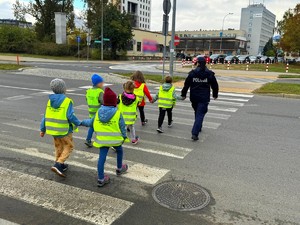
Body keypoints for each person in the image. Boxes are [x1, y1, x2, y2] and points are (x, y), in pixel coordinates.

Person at [81, 87, 128, 187]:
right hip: (115, 141)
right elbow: (122, 127)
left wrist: (80, 122)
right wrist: (124, 137)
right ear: (114, 102)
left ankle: (101, 178)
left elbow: (90, 123)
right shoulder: (118, 113)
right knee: (119, 151)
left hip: (102, 140)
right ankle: (119, 168)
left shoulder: (98, 112)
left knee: (101, 158)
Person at [40, 78, 82, 177]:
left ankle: (59, 164)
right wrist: (78, 123)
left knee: (58, 146)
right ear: (64, 89)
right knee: (69, 146)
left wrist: (42, 129)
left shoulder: (50, 101)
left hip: (53, 130)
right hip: (64, 130)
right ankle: (59, 163)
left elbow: (46, 116)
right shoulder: (67, 101)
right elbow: (70, 116)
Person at [181, 56, 219, 141]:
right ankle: (195, 133)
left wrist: (183, 94)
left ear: (197, 63)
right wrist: (215, 94)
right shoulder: (209, 74)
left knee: (197, 112)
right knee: (200, 114)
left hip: (194, 97)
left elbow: (186, 85)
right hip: (204, 97)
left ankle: (198, 126)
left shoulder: (192, 73)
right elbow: (214, 85)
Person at [85, 74, 104, 148]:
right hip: (99, 112)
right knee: (101, 127)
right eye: (102, 82)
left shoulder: (88, 91)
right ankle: (101, 141)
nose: (103, 84)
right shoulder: (100, 92)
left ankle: (88, 140)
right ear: (98, 83)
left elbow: (87, 99)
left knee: (92, 126)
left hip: (91, 112)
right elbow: (102, 101)